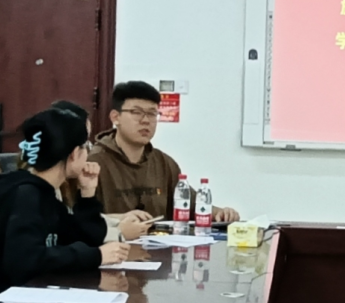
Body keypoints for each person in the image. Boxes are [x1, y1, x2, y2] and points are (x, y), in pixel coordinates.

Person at [0, 106, 131, 303]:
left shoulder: (44, 193)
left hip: (37, 302)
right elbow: (25, 260)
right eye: (86, 146)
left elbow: (83, 238)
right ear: (74, 153)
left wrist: (87, 194)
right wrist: (96, 256)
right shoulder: (25, 195)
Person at [89, 82, 240, 240]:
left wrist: (219, 213)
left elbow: (189, 204)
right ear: (115, 117)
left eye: (152, 113)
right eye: (136, 112)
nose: (145, 120)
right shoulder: (93, 162)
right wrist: (118, 220)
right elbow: (81, 220)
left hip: (159, 248)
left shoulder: (164, 163)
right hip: (111, 248)